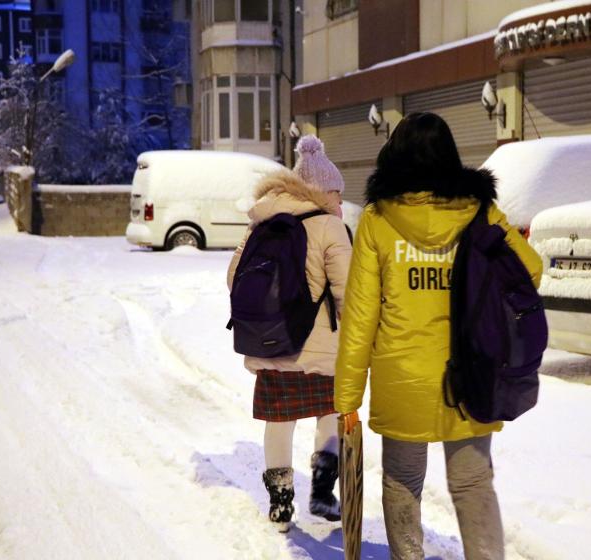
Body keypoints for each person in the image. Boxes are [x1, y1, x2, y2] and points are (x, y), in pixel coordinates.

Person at [335, 112, 543, 559]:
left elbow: (359, 318)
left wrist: (347, 399)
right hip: (471, 372)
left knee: (402, 482)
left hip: (402, 376)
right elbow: (531, 270)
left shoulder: (379, 219)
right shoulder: (480, 212)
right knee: (472, 483)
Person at [227, 135, 352, 530]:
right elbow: (348, 291)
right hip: (321, 351)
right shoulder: (330, 226)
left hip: (271, 343)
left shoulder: (262, 222)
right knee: (329, 413)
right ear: (320, 191)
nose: (339, 200)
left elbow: (234, 278)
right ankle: (321, 487)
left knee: (279, 421)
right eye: (336, 192)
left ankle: (280, 503)